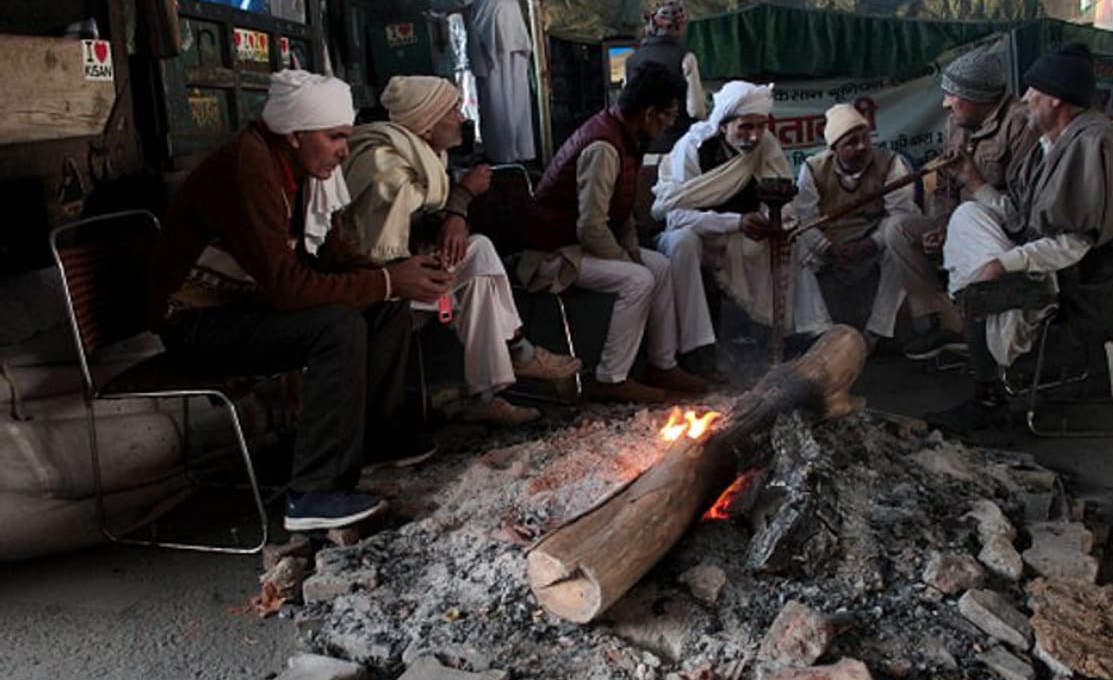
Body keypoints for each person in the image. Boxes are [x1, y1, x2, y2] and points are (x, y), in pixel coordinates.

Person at [149, 70, 446, 531]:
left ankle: (373, 440)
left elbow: (329, 251)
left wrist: (395, 278)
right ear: (295, 134)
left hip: (246, 309)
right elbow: (289, 288)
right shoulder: (248, 166)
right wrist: (387, 280)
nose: (344, 150)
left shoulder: (299, 167)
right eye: (335, 137)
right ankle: (313, 492)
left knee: (385, 305)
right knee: (338, 325)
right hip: (196, 325)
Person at [931, 44, 1113, 432]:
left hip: (1086, 282)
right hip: (1056, 263)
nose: (1026, 99)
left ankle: (991, 397)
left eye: (1033, 91)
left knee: (982, 290)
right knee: (968, 216)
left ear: (1055, 99)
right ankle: (993, 377)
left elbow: (1077, 243)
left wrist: (1003, 264)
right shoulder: (1049, 144)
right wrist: (973, 181)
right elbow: (1023, 217)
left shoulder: (1096, 143)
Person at [339, 75, 581, 427]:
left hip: (411, 272)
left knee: (479, 266)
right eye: (452, 110)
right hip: (380, 293)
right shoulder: (384, 167)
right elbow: (382, 251)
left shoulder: (423, 157)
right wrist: (462, 199)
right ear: (426, 124)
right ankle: (516, 353)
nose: (463, 118)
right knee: (479, 257)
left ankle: (485, 396)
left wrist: (455, 215)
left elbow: (427, 225)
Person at [525, 63, 710, 403]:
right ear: (649, 112)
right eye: (668, 114)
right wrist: (628, 262)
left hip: (578, 244)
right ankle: (610, 378)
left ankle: (662, 364)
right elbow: (590, 226)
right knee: (639, 279)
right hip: (553, 252)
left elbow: (619, 211)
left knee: (660, 267)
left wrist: (634, 253)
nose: (671, 122)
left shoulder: (626, 136)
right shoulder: (604, 146)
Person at [650, 81, 832, 366]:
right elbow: (674, 214)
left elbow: (781, 194)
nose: (754, 135)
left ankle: (805, 333)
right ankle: (696, 350)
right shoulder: (693, 147)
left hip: (745, 234)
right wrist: (735, 222)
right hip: (702, 234)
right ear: (723, 125)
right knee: (682, 242)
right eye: (745, 127)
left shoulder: (765, 144)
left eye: (760, 126)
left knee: (792, 243)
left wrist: (776, 220)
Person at [885, 47, 1039, 360]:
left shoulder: (1021, 126)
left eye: (952, 97)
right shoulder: (956, 125)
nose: (945, 104)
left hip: (1000, 234)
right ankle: (947, 323)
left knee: (970, 216)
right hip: (958, 223)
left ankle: (986, 335)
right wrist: (942, 226)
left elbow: (1022, 211)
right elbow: (943, 189)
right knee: (898, 229)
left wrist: (974, 180)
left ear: (976, 98)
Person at [789, 103, 928, 348]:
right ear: (835, 149)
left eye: (865, 138)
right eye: (852, 142)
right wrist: (829, 249)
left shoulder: (891, 163)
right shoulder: (813, 168)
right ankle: (820, 332)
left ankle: (876, 332)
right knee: (795, 242)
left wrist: (869, 245)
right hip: (832, 246)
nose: (862, 146)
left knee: (900, 238)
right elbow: (806, 219)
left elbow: (900, 213)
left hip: (874, 241)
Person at [432, 0, 534, 163]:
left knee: (495, 94)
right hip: (508, 18)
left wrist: (434, 4)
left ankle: (501, 159)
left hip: (492, 23)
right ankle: (521, 155)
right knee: (515, 93)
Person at [624, 0, 707, 154]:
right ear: (681, 26)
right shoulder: (686, 57)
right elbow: (696, 111)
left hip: (641, 147)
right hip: (676, 148)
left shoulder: (632, 59)